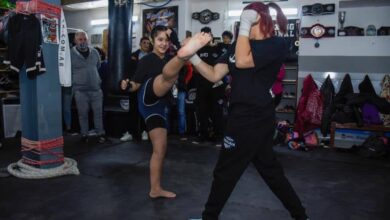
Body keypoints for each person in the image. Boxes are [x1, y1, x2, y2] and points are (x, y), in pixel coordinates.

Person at [182, 2, 308, 220]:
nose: (243, 20)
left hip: (253, 116)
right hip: (241, 114)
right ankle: (301, 216)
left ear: (258, 17)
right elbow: (213, 74)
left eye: (247, 16)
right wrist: (191, 56)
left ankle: (208, 217)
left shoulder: (276, 44)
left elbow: (242, 61)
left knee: (225, 171)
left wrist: (245, 25)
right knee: (270, 171)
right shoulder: (236, 46)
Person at [120, 25, 212, 199]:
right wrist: (126, 85)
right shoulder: (147, 60)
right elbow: (136, 84)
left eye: (166, 40)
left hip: (160, 106)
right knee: (167, 76)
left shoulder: (169, 57)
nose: (163, 43)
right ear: (153, 41)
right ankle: (184, 53)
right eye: (160, 40)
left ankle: (155, 189)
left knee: (160, 148)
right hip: (148, 96)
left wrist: (177, 43)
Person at [71, 30, 106, 143]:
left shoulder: (95, 52)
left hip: (96, 89)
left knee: (98, 113)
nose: (83, 41)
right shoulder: (70, 55)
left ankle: (100, 134)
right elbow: (69, 71)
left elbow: (98, 66)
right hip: (80, 91)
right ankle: (84, 134)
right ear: (75, 41)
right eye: (80, 39)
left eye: (84, 39)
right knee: (83, 114)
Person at [192, 27, 225, 146]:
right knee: (202, 111)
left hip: (216, 85)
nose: (206, 37)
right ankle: (202, 135)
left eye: (208, 35)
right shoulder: (197, 49)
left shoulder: (219, 48)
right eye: (203, 35)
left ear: (211, 35)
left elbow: (223, 67)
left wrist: (210, 71)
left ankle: (218, 136)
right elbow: (195, 68)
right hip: (201, 85)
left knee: (217, 111)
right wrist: (206, 70)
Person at [120, 37, 151, 142]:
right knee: (132, 110)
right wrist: (127, 81)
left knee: (144, 110)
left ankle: (144, 131)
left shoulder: (152, 56)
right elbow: (128, 70)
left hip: (146, 87)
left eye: (148, 43)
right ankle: (130, 132)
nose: (146, 44)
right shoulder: (133, 56)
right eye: (144, 42)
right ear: (140, 43)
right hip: (134, 86)